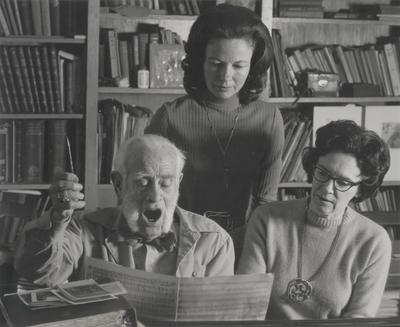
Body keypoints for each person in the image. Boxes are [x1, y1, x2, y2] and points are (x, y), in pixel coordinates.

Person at [145, 3, 284, 260]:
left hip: (245, 245)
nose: (225, 76)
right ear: (200, 61)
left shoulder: (270, 118)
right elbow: (145, 193)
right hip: (179, 244)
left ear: (253, 66)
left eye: (239, 66)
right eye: (216, 63)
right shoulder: (170, 116)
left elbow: (265, 202)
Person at [14, 134, 235, 287]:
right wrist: (58, 218)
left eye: (166, 183)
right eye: (142, 182)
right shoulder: (83, 229)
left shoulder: (214, 242)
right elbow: (40, 274)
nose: (156, 196)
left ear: (178, 183)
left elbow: (222, 318)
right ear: (119, 184)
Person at [237, 120, 392, 319]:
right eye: (323, 173)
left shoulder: (374, 241)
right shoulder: (267, 218)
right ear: (313, 167)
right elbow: (247, 303)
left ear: (360, 189)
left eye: (343, 182)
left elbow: (359, 318)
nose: (327, 188)